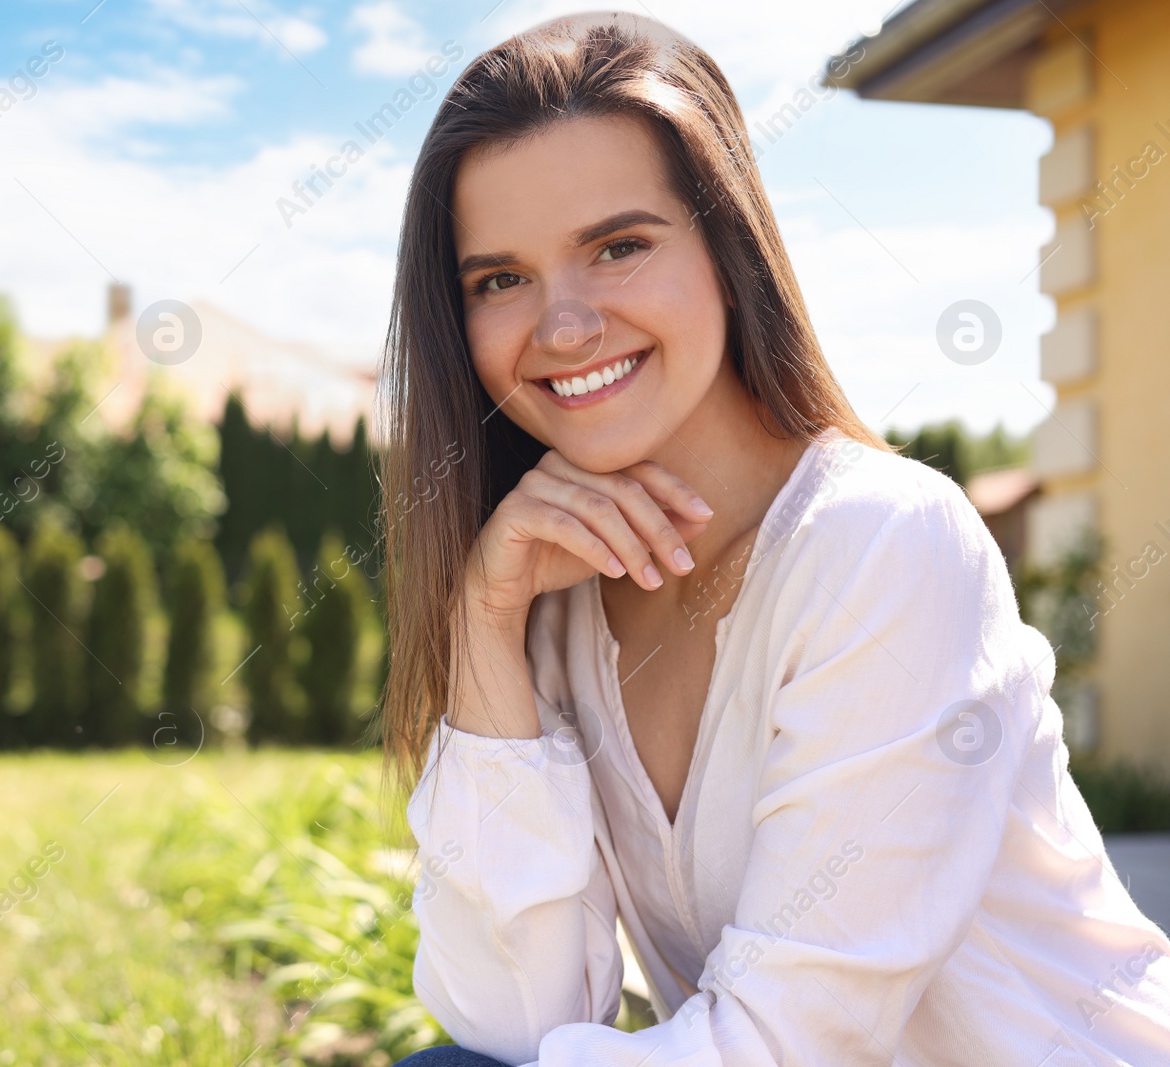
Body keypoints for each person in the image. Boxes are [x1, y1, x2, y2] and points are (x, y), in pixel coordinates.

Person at [375, 12, 1170, 1067]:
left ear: (726, 245)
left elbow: (786, 1046)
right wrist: (484, 622)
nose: (562, 327)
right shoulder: (554, 599)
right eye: (500, 279)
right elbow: (511, 1023)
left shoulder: (883, 543)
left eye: (617, 246)